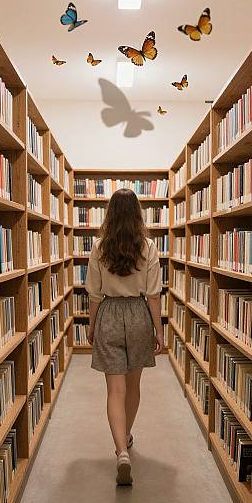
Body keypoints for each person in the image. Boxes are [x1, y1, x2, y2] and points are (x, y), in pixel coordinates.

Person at [85, 188, 164, 486]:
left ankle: (121, 451)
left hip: (109, 314)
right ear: (137, 214)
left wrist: (92, 325)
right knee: (133, 387)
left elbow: (93, 293)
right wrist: (159, 329)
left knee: (114, 391)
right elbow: (154, 294)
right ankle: (126, 436)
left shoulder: (98, 247)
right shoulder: (148, 247)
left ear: (110, 214)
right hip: (139, 315)